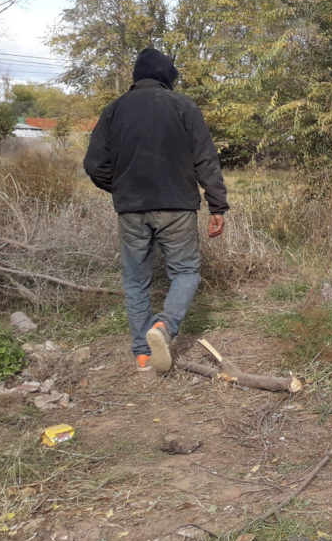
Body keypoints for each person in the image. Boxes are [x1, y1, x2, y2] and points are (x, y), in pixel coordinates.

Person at [83, 48, 229, 373]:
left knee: (135, 282)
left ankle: (143, 355)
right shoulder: (184, 106)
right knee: (185, 272)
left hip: (131, 209)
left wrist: (121, 186)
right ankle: (164, 326)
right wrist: (217, 205)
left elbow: (94, 164)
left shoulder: (114, 109)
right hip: (177, 207)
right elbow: (206, 160)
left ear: (137, 76)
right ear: (167, 76)